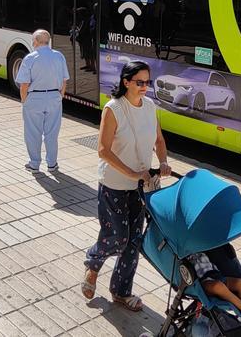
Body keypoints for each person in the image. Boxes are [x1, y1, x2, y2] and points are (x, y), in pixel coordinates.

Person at [82, 60, 171, 312]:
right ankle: (93, 261)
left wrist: (163, 161)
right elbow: (103, 150)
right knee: (118, 238)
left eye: (147, 82)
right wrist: (132, 173)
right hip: (114, 185)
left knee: (134, 241)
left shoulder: (151, 107)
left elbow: (159, 141)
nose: (145, 87)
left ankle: (121, 291)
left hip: (140, 187)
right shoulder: (113, 109)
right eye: (139, 82)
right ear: (126, 82)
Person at [184, 243, 241, 333]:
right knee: (218, 286)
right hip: (199, 282)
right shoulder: (183, 254)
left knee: (240, 283)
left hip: (215, 274)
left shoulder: (202, 247)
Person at [16, 29, 70, 172]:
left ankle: (34, 164)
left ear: (35, 42)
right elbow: (65, 80)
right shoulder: (59, 56)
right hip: (54, 97)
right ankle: (52, 164)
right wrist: (60, 96)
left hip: (34, 98)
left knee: (33, 132)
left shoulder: (30, 58)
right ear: (48, 41)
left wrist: (24, 101)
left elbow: (24, 84)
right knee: (52, 133)